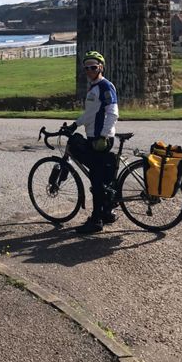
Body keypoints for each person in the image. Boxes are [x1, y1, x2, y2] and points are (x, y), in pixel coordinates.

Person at [66, 50, 119, 234]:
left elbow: (113, 113)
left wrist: (103, 136)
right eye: (86, 67)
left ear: (101, 68)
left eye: (93, 67)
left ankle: (96, 221)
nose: (89, 70)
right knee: (101, 176)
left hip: (101, 139)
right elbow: (91, 114)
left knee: (96, 179)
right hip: (94, 137)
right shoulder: (94, 87)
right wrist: (75, 124)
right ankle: (107, 211)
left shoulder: (105, 86)